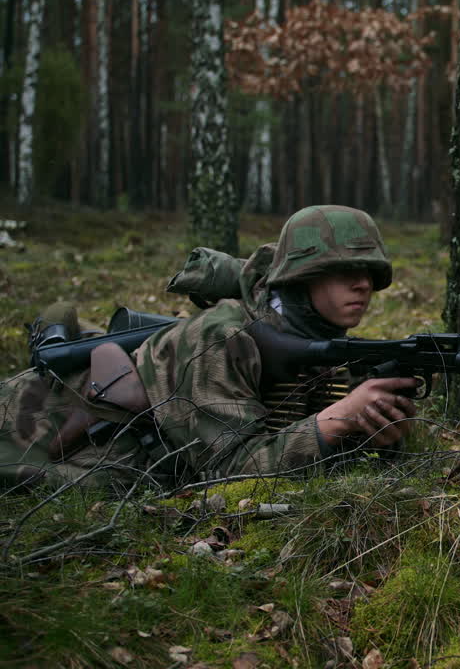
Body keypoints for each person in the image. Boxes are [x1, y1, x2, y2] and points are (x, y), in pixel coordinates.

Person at [0, 205, 419, 490]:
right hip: (31, 425)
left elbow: (307, 460)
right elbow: (232, 473)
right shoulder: (224, 336)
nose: (363, 283)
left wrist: (375, 438)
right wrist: (335, 420)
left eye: (368, 271)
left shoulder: (324, 346)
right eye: (344, 271)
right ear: (300, 278)